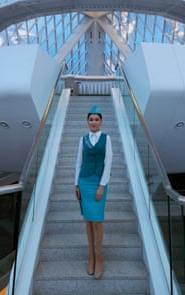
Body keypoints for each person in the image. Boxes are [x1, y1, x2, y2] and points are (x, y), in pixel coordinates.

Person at [74, 104, 113, 279]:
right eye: (91, 119)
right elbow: (78, 163)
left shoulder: (107, 138)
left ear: (101, 121)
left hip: (98, 182)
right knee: (88, 221)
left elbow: (108, 162)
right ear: (87, 121)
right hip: (84, 182)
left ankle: (99, 257)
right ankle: (91, 256)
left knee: (97, 221)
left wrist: (102, 185)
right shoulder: (82, 139)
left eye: (96, 119)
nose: (94, 122)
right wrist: (76, 184)